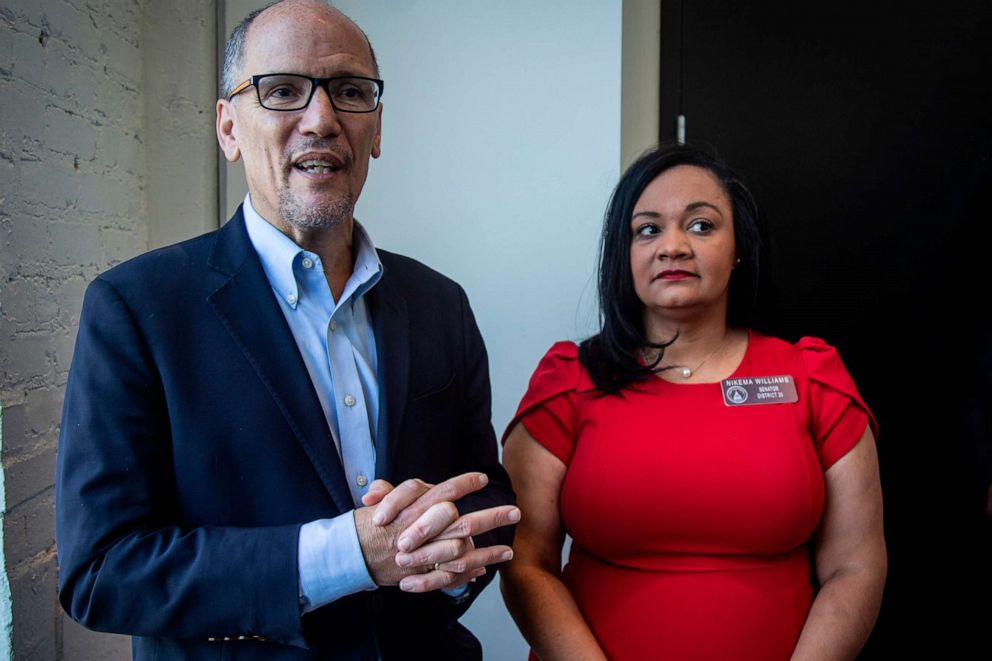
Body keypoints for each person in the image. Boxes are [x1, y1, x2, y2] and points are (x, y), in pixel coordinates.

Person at [55, 1, 518, 659]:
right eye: (282, 91)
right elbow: (102, 569)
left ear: (377, 128)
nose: (322, 119)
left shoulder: (441, 303)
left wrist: (444, 558)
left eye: (350, 92)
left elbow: (484, 489)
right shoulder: (136, 308)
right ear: (228, 128)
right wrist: (349, 553)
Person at [500, 144, 886, 660]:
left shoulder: (812, 378)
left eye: (701, 226)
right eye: (648, 229)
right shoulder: (568, 379)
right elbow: (526, 563)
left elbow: (855, 567)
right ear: (625, 254)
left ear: (738, 248)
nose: (673, 246)